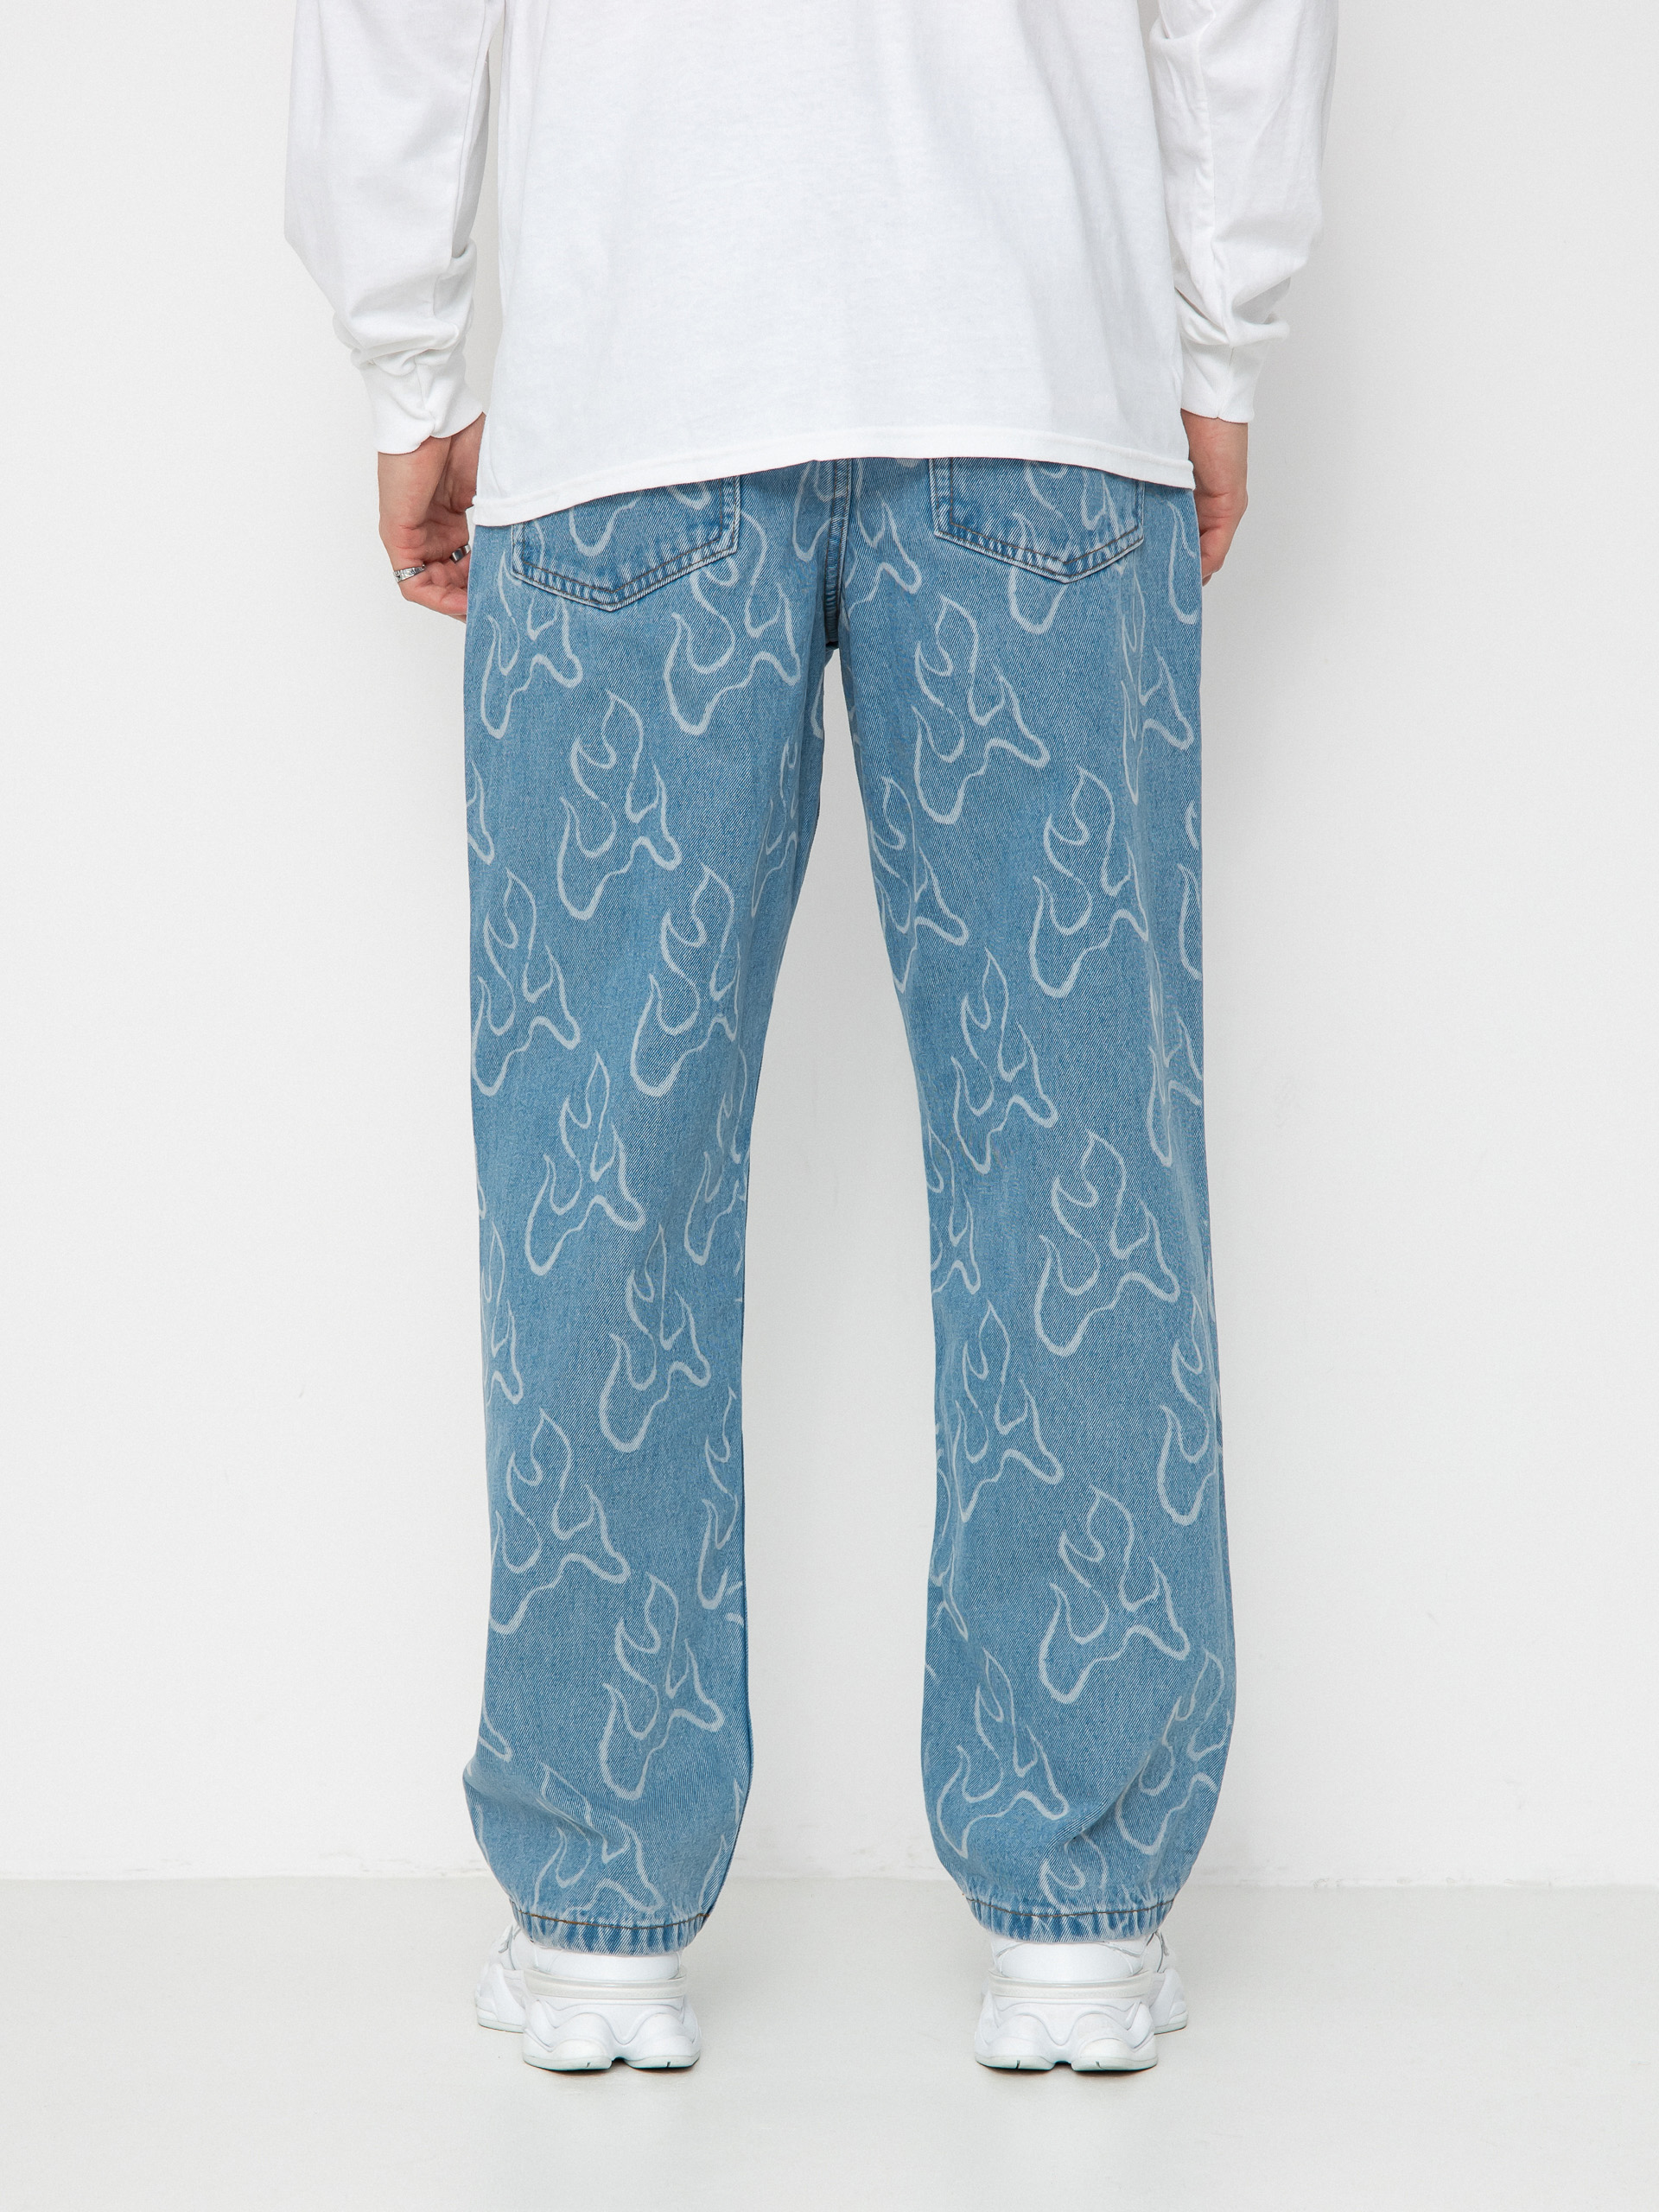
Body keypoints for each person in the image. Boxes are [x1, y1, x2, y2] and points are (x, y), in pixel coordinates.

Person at [287, 0, 1335, 2075]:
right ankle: (1080, 1910)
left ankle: (596, 1909)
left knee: (605, 1162)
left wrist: (413, 362)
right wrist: (1216, 344)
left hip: (632, 390)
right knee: (1078, 1156)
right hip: (1035, 372)